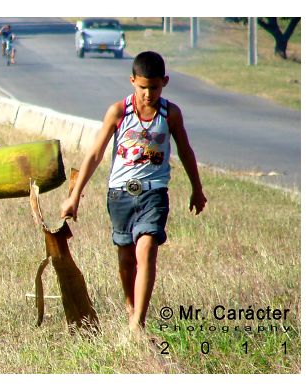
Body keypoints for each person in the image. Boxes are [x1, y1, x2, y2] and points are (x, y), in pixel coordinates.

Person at [60, 51, 207, 334]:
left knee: (147, 248)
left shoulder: (171, 114)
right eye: (142, 87)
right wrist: (75, 195)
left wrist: (196, 189)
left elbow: (186, 152)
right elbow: (94, 154)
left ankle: (138, 323)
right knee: (126, 258)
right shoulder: (118, 111)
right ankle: (130, 309)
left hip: (154, 194)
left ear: (165, 82)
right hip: (120, 195)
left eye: (154, 87)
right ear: (132, 82)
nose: (148, 94)